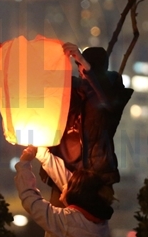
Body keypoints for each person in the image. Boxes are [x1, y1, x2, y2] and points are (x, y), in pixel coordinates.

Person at [45, 44, 133, 203]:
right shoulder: (73, 88)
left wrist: (85, 64)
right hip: (62, 172)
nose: (80, 69)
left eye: (83, 65)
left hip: (95, 177)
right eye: (79, 65)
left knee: (89, 218)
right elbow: (42, 84)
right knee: (57, 218)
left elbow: (108, 101)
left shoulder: (113, 92)